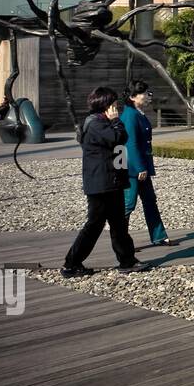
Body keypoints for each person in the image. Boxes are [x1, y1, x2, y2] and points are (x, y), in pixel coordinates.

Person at [60, 86, 142, 277]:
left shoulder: (100, 122)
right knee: (94, 226)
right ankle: (71, 264)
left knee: (119, 225)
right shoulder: (96, 124)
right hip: (101, 184)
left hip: (110, 182)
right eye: (113, 105)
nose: (116, 109)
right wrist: (116, 122)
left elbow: (118, 149)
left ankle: (127, 261)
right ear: (104, 105)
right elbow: (119, 138)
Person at [120, 80, 176, 248]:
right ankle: (120, 241)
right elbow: (131, 144)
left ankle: (159, 236)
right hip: (132, 168)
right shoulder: (130, 115)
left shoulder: (137, 112)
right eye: (144, 92)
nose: (148, 95)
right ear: (132, 97)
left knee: (150, 200)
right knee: (128, 204)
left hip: (140, 165)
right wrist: (140, 168)